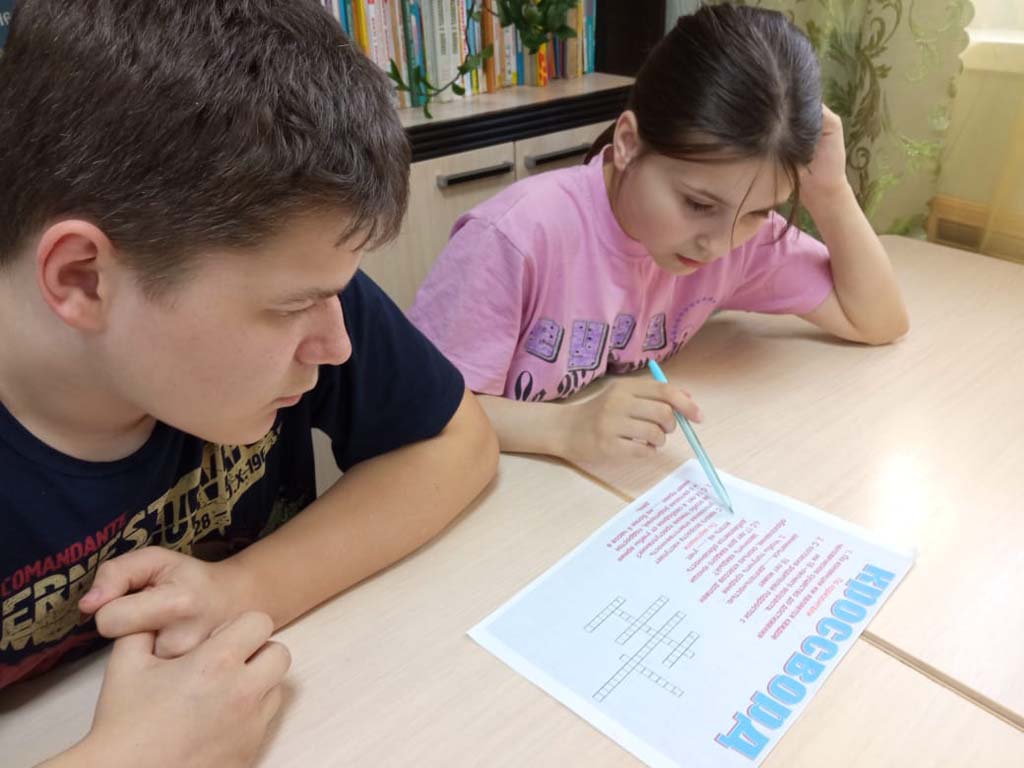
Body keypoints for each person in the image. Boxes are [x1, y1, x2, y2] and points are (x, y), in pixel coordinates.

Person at [0, 1, 498, 765]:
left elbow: (455, 441)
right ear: (82, 278)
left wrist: (244, 588)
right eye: (293, 309)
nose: (336, 344)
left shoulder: (296, 266)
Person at [409, 3, 908, 464]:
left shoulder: (741, 236)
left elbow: (879, 320)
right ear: (628, 142)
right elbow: (425, 415)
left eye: (759, 212)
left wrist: (831, 192)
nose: (717, 244)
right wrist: (566, 427)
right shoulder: (513, 237)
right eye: (698, 204)